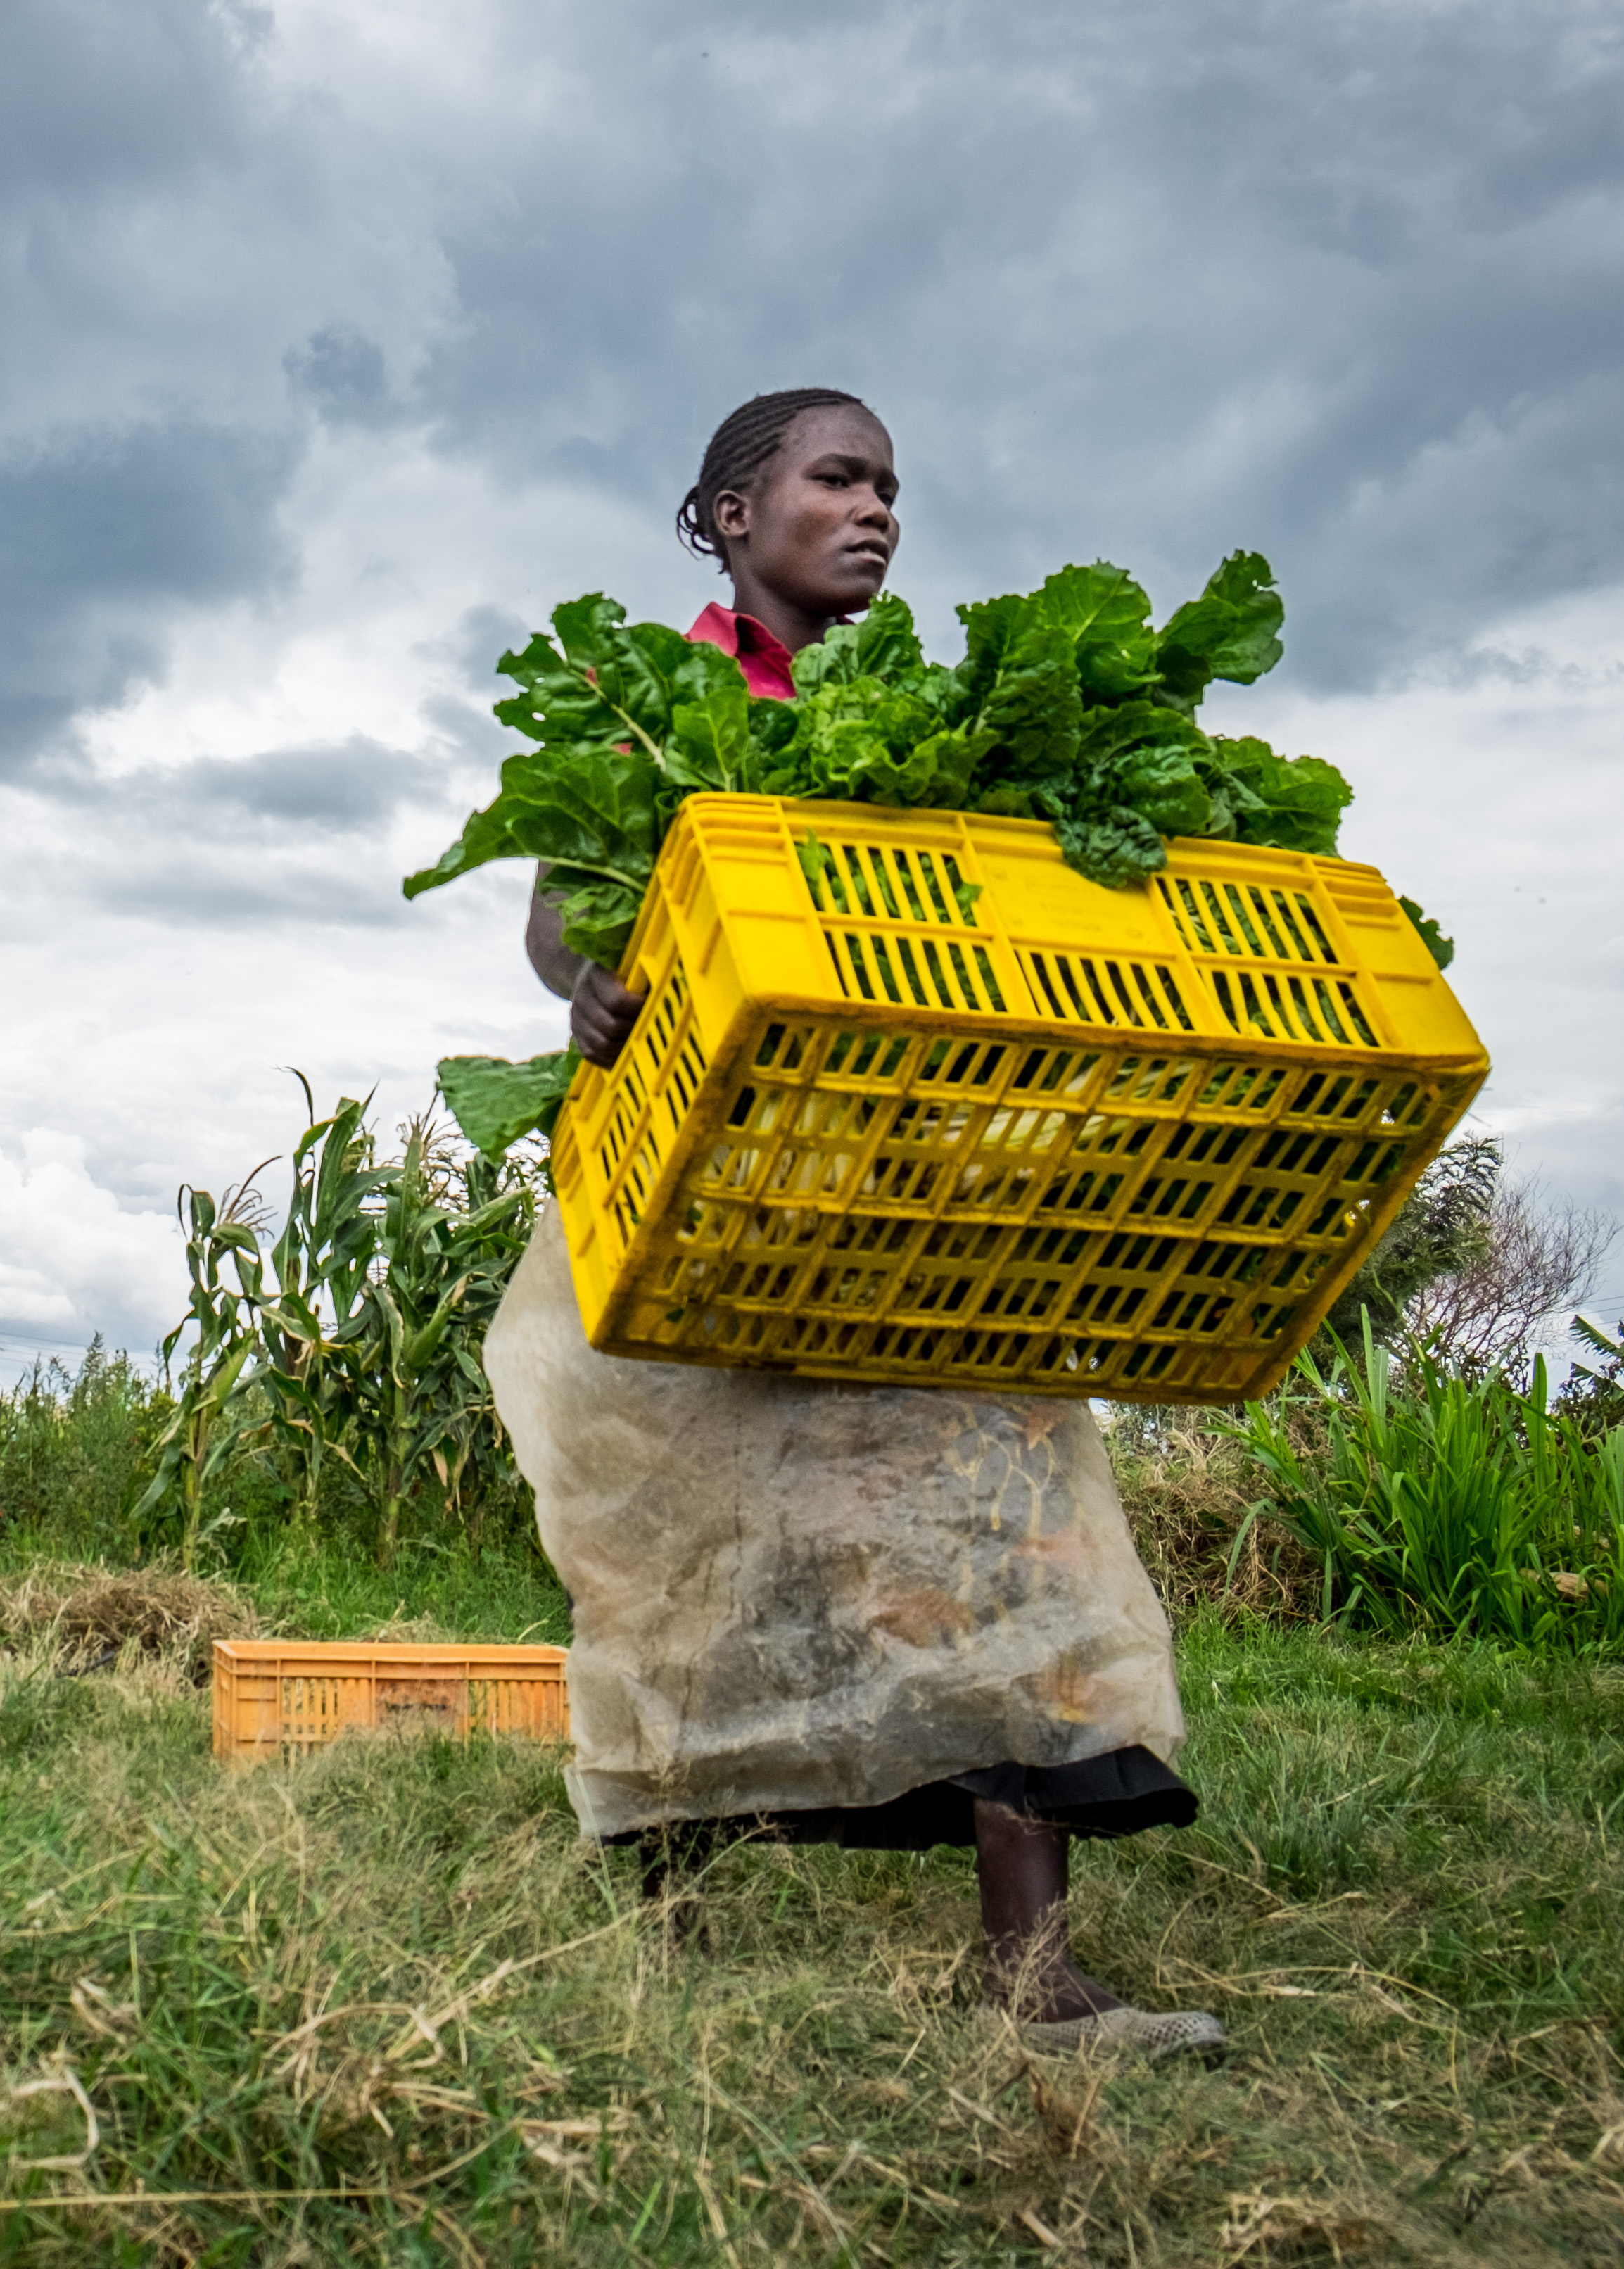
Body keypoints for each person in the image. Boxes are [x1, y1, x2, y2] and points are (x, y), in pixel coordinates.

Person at [485, 388, 1223, 2059]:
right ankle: (660, 1956)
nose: (875, 508)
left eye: (889, 486)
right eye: (837, 478)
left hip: (905, 1200)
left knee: (1000, 1534)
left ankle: (1035, 1988)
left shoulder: (933, 718)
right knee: (684, 1556)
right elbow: (553, 908)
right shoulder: (651, 700)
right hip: (706, 1194)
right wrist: (590, 984)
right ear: (731, 514)